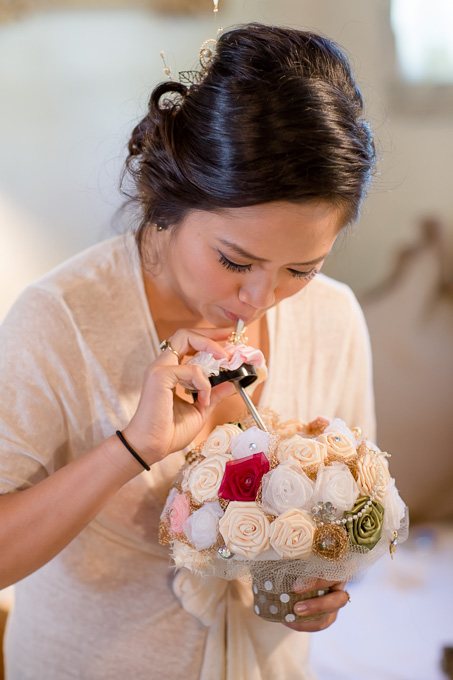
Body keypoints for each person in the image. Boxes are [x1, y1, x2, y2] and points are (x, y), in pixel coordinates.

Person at [0, 22, 376, 680]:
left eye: (301, 268)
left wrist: (316, 583)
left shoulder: (334, 319)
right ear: (166, 198)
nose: (260, 297)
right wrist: (132, 449)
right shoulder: (59, 321)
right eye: (235, 260)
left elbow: (352, 513)